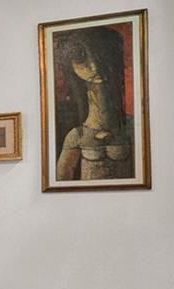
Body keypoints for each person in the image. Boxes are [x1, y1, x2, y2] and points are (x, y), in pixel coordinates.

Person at [53, 26, 133, 182]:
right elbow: (61, 180)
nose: (94, 66)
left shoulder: (131, 127)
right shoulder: (76, 135)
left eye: (99, 56)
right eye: (81, 57)